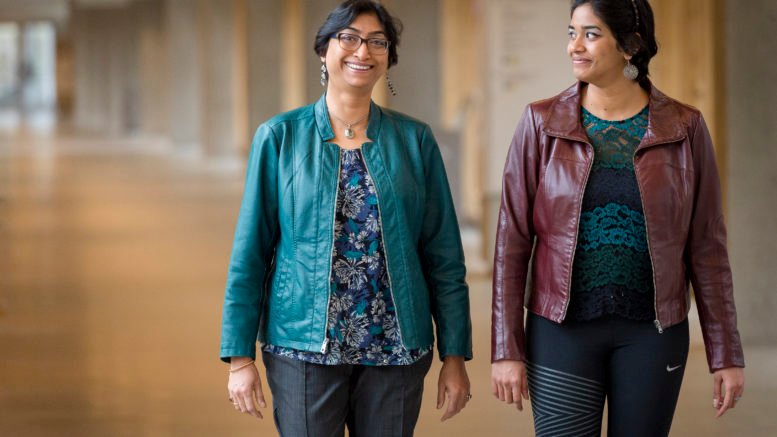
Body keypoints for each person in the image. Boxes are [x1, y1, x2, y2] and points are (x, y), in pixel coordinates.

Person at [490, 0, 745, 435]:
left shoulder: (684, 128)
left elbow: (707, 247)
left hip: (653, 332)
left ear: (631, 45)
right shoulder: (541, 124)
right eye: (572, 33)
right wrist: (506, 348)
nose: (575, 46)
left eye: (591, 34)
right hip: (560, 331)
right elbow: (511, 242)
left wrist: (725, 354)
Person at [219, 1, 472, 435]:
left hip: (396, 347)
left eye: (378, 42)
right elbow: (251, 253)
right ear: (324, 50)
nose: (363, 52)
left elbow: (443, 256)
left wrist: (454, 355)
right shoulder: (280, 137)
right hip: (303, 347)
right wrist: (239, 357)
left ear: (389, 57)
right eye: (349, 38)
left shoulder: (415, 140)